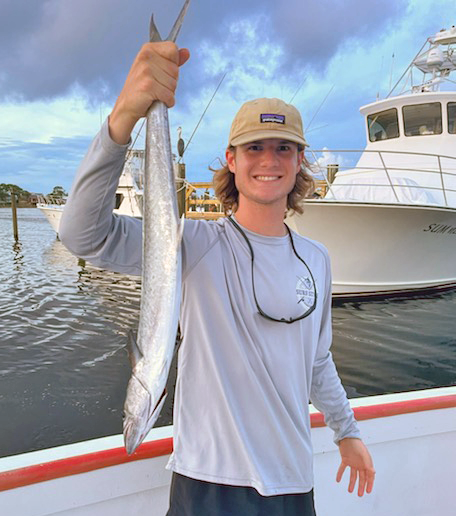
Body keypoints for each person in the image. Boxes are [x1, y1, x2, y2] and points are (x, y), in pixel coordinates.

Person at [60, 41, 375, 516]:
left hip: (294, 483)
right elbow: (83, 235)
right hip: (206, 482)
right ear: (231, 159)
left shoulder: (317, 258)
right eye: (254, 148)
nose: (269, 160)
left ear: (299, 162)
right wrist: (125, 116)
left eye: (283, 148)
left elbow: (317, 361)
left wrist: (347, 431)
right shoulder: (189, 245)